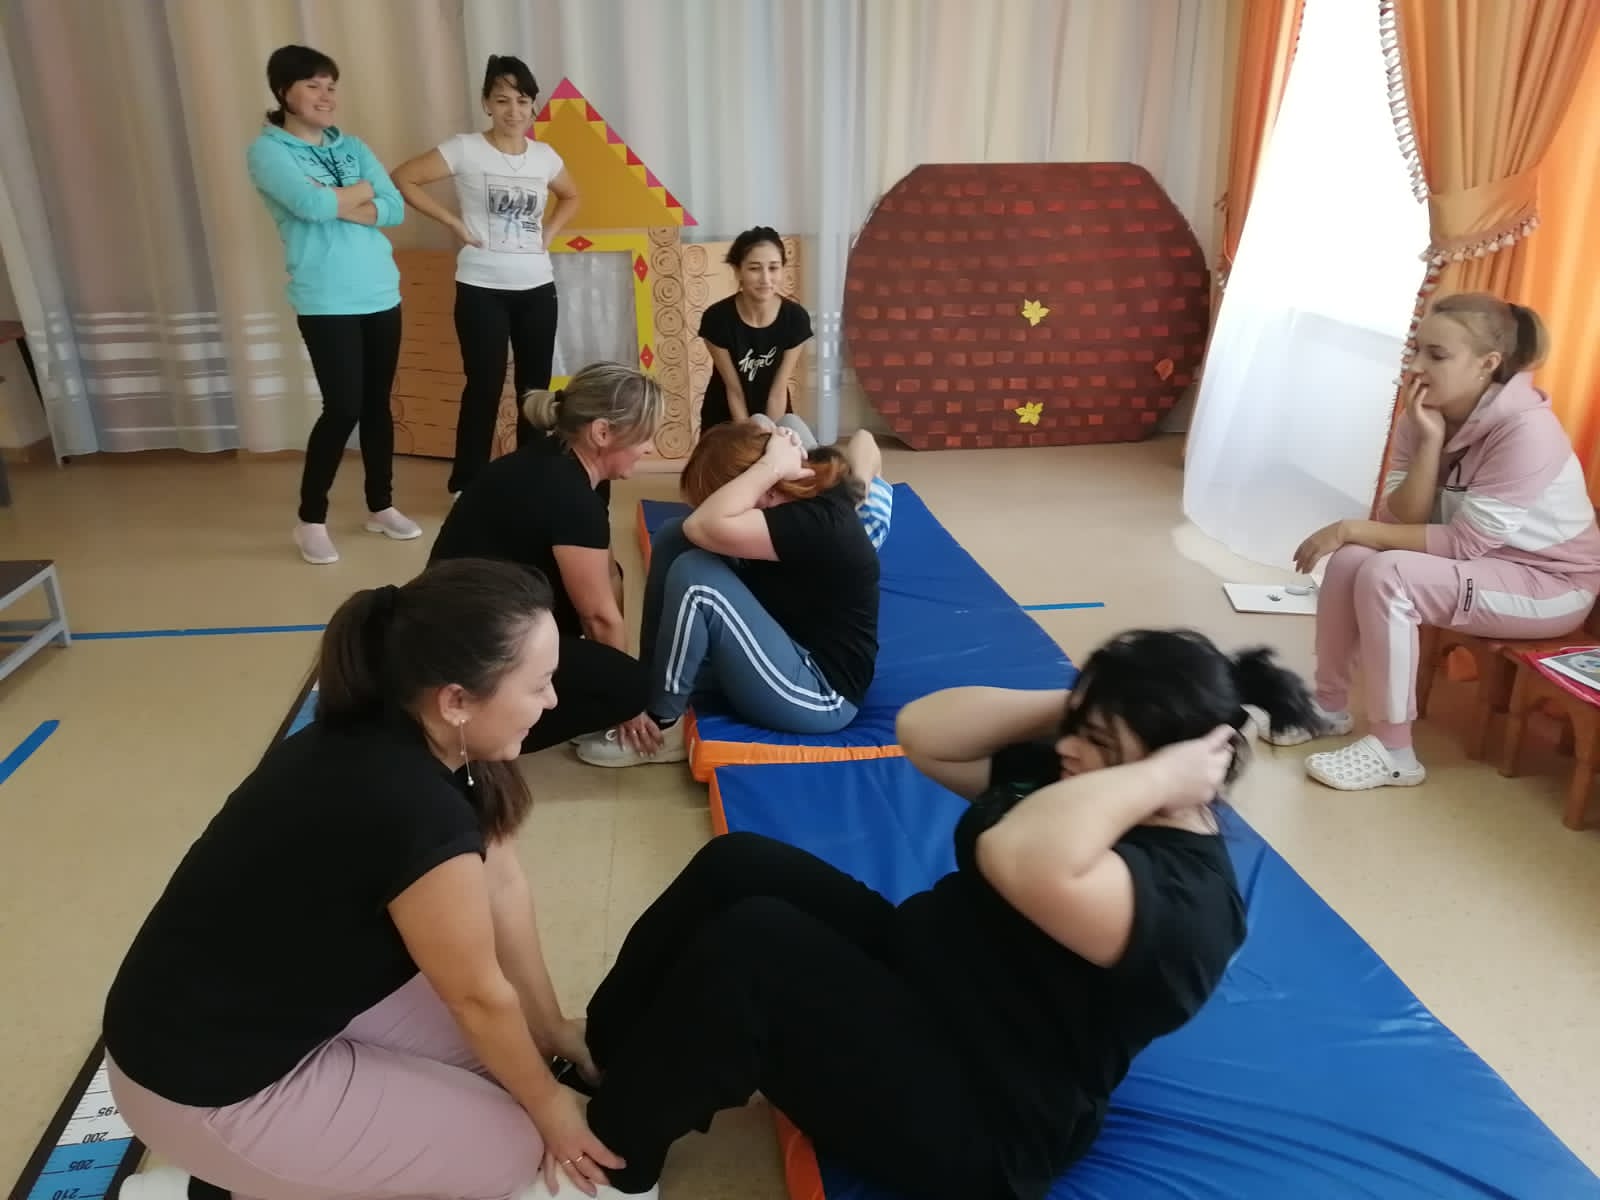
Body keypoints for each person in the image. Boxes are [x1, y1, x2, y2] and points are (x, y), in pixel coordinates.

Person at [572, 629, 1317, 1197]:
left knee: (755, 950)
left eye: (1099, 743)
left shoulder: (1186, 902)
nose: (1069, 749)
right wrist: (1088, 705)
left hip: (982, 1114)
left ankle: (609, 1162)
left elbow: (1020, 856)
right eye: (1079, 729)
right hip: (927, 977)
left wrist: (1155, 775)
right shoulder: (1077, 774)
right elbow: (926, 736)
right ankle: (604, 1054)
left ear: (1168, 771)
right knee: (739, 866)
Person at [104, 559, 650, 1200]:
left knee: (510, 1062)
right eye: (537, 686)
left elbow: (502, 887)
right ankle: (209, 1183)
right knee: (517, 1150)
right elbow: (477, 997)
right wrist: (552, 1108)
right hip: (203, 1084)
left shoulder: (411, 729)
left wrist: (550, 1027)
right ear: (456, 700)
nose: (553, 702)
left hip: (264, 1006)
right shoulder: (414, 807)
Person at [1286, 293, 1600, 791]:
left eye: (1436, 355)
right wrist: (1430, 443)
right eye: (1416, 350)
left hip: (1552, 583)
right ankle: (1326, 707)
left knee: (1389, 574)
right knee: (1350, 561)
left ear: (1487, 364)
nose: (1416, 366)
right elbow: (1398, 518)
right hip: (1485, 564)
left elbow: (1462, 543)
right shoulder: (1424, 415)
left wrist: (1347, 526)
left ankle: (1394, 751)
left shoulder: (1527, 432)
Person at [577, 422, 879, 768]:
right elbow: (692, 529)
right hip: (785, 641)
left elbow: (701, 526)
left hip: (819, 693)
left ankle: (662, 725)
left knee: (695, 577)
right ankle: (646, 692)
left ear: (763, 490)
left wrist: (770, 466)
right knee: (675, 537)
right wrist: (769, 453)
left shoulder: (817, 522)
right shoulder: (795, 492)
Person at [247, 44, 421, 566]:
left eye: (330, 86)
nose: (325, 96)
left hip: (380, 291)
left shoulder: (353, 146)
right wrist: (363, 191)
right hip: (325, 299)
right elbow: (309, 204)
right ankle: (310, 519)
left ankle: (380, 506)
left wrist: (337, 201)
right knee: (343, 407)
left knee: (377, 404)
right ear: (284, 92)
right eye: (313, 86)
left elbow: (393, 209)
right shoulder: (269, 151)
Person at [429, 363, 659, 757]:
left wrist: (607, 665)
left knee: (610, 652)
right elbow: (599, 617)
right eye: (645, 436)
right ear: (602, 433)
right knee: (633, 685)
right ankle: (469, 735)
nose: (650, 447)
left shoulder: (564, 463)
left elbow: (608, 575)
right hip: (464, 652)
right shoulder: (571, 497)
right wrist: (625, 697)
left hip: (461, 626)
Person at [391, 55, 581, 496]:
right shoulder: (465, 149)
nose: (514, 110)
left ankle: (532, 476)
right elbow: (404, 178)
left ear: (533, 106)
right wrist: (453, 223)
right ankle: (467, 482)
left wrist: (550, 232)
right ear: (487, 104)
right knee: (484, 385)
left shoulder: (545, 157)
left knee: (535, 388)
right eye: (503, 100)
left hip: (537, 288)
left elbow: (572, 195)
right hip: (481, 288)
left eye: (523, 101)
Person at [697, 226, 816, 446]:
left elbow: (778, 390)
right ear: (738, 271)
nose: (765, 279)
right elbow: (734, 390)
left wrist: (770, 444)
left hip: (775, 411)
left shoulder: (795, 319)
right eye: (754, 268)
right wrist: (748, 443)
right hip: (725, 416)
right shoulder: (717, 319)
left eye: (773, 268)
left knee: (789, 434)